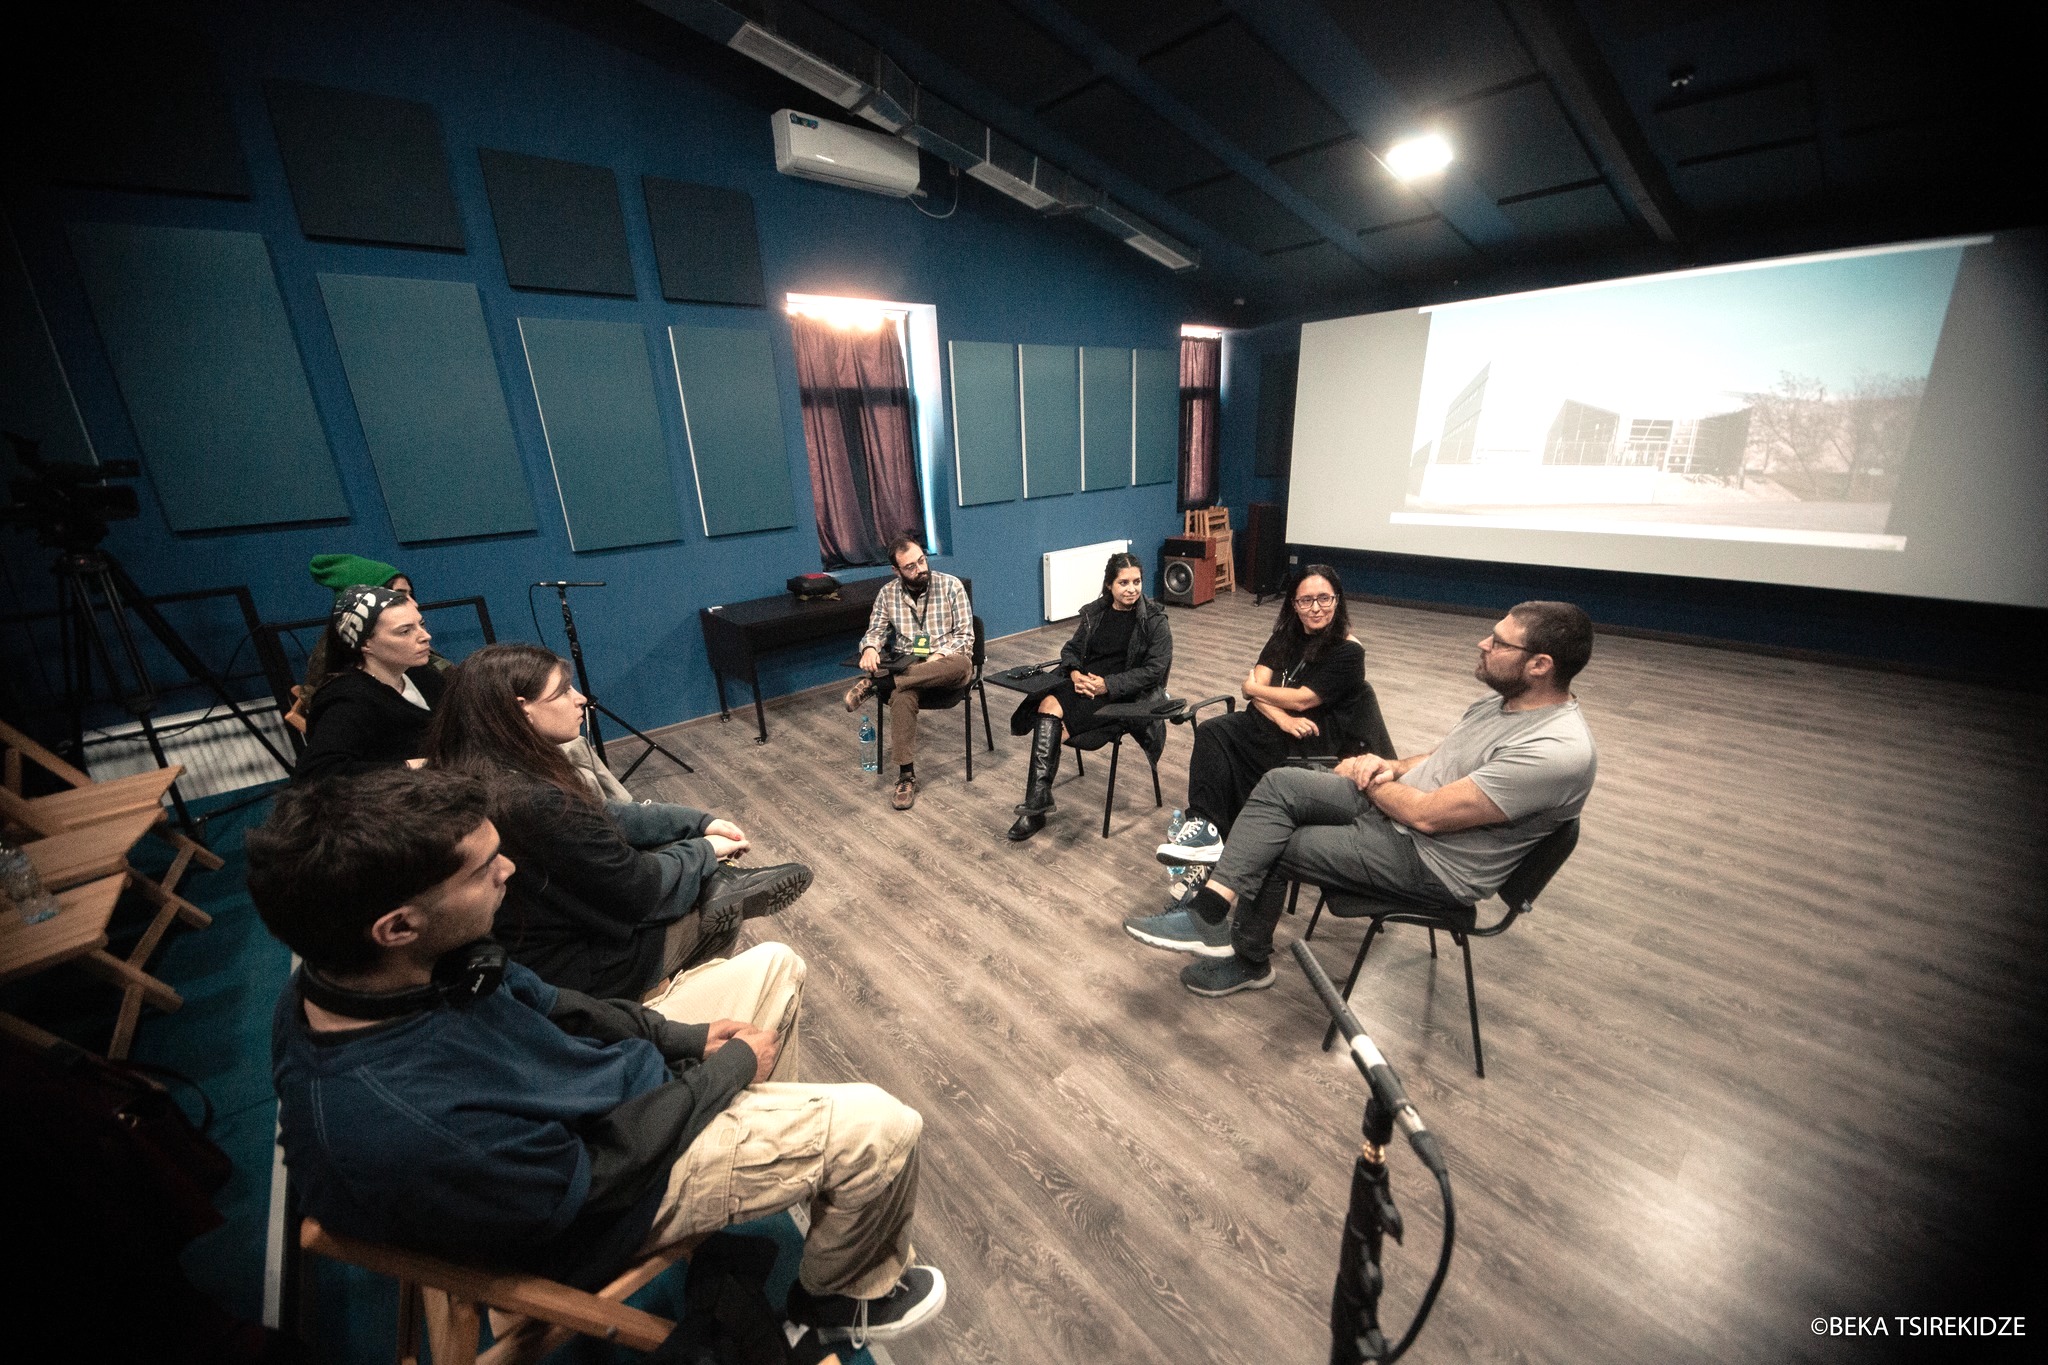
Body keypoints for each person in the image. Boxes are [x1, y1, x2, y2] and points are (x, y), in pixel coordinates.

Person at [250, 767, 946, 1346]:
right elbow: (604, 1172)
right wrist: (724, 1073)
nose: (509, 869)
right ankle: (837, 1301)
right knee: (884, 1129)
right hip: (601, 1198)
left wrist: (684, 1040)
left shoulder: (393, 969)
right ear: (397, 925)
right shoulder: (402, 1119)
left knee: (775, 966)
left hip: (606, 1111)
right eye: (484, 869)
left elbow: (558, 1004)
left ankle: (777, 1155)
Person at [1123, 601, 1597, 998]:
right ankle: (1210, 912)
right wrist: (1389, 766)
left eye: (1499, 642)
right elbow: (1445, 758)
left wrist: (1366, 778)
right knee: (1280, 783)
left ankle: (1248, 960)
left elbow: (1426, 817)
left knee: (1273, 845)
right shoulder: (1502, 702)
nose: (1483, 643)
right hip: (1399, 808)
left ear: (1540, 665)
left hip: (1431, 860)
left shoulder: (1554, 752)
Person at [428, 644, 812, 1000]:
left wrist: (698, 822)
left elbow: (606, 816)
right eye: (563, 691)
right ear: (522, 709)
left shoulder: (476, 770)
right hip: (570, 969)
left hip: (540, 944)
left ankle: (721, 887)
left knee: (689, 864)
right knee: (718, 907)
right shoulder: (532, 800)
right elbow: (638, 890)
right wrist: (705, 850)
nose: (580, 698)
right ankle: (667, 1002)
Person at [1153, 565, 1386, 887]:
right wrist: (1281, 716)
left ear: (1337, 600)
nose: (1315, 608)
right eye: (1305, 601)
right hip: (1275, 726)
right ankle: (1205, 829)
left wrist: (1254, 691)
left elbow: (1301, 699)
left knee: (1233, 755)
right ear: (1294, 604)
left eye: (1324, 599)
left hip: (1310, 740)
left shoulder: (1348, 651)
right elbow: (1262, 691)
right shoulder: (1286, 636)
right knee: (1213, 731)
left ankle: (1224, 847)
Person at [1004, 552, 1173, 841]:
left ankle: (1035, 808)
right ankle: (1038, 801)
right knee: (1047, 704)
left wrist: (1107, 685)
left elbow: (1154, 671)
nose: (1131, 589)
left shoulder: (1155, 621)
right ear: (1109, 585)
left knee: (1052, 725)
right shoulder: (1096, 613)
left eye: (1136, 582)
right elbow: (1071, 650)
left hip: (1122, 695)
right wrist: (1074, 674)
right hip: (1084, 684)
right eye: (1123, 583)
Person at [842, 537, 974, 812]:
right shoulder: (887, 594)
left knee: (962, 665)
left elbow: (965, 636)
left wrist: (940, 655)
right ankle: (906, 776)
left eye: (922, 561)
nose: (920, 569)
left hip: (946, 667)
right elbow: (875, 632)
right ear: (896, 570)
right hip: (908, 668)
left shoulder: (951, 586)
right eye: (911, 567)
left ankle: (879, 684)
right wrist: (870, 648)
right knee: (902, 695)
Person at [294, 585, 443, 786]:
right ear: (365, 643)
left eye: (421, 624)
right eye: (405, 631)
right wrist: (411, 766)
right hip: (397, 798)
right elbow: (317, 772)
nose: (425, 636)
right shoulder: (348, 700)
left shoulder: (423, 676)